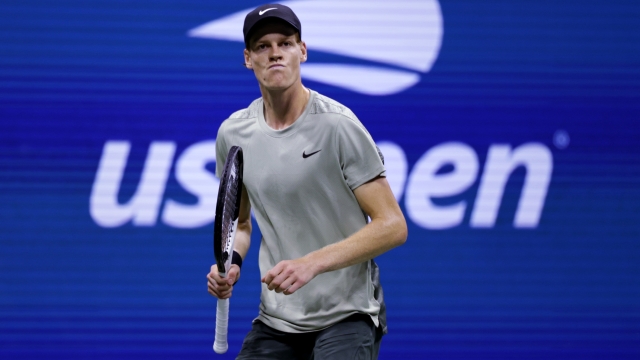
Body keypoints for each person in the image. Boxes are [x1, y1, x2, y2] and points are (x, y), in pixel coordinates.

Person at [207, 3, 408, 359]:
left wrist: (311, 263)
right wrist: (231, 265)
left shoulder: (339, 126)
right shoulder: (233, 134)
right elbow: (240, 225)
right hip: (277, 318)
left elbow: (392, 225)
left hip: (347, 314)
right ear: (247, 58)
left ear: (303, 51)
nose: (275, 54)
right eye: (262, 46)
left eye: (285, 43)